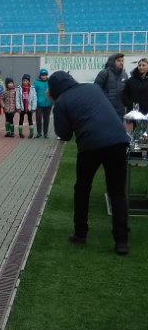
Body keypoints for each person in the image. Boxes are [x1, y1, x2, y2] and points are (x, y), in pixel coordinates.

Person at [48, 71, 129, 255]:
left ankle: (80, 233)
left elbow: (64, 135)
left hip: (90, 145)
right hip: (118, 140)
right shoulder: (93, 88)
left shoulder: (61, 102)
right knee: (117, 191)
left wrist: (55, 104)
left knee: (83, 189)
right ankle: (122, 241)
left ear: (54, 90)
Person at [94, 52, 127, 119]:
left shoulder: (124, 75)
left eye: (122, 61)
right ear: (112, 62)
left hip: (121, 110)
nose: (121, 63)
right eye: (119, 61)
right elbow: (95, 90)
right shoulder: (104, 73)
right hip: (107, 109)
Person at [16, 73, 37, 137]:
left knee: (30, 119)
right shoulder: (19, 88)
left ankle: (31, 133)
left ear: (29, 81)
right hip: (22, 108)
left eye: (27, 81)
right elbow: (17, 98)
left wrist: (33, 107)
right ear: (22, 81)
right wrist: (18, 107)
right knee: (21, 119)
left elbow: (34, 98)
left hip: (29, 108)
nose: (25, 82)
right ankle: (20, 133)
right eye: (24, 81)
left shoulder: (32, 88)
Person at [33, 68, 52, 138]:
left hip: (48, 103)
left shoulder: (50, 82)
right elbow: (33, 92)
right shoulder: (36, 83)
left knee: (46, 119)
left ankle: (45, 133)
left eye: (45, 75)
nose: (44, 76)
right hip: (39, 104)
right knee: (38, 118)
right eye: (43, 75)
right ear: (40, 75)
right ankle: (39, 132)